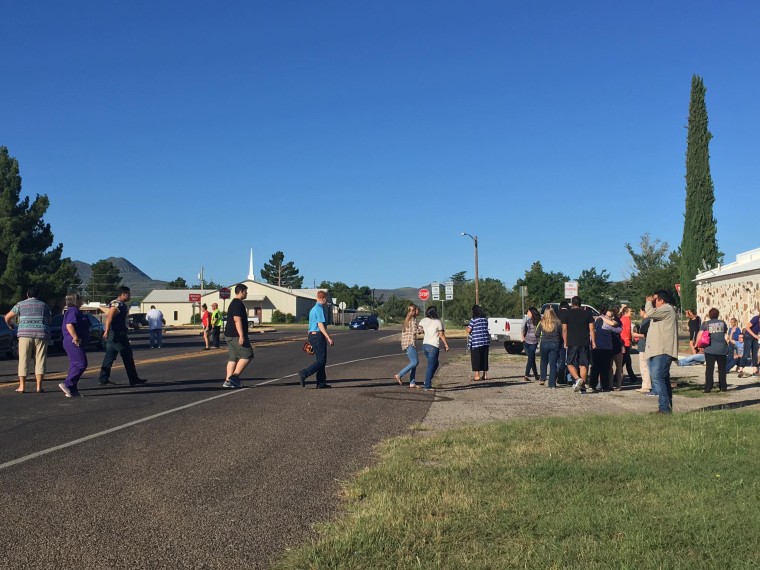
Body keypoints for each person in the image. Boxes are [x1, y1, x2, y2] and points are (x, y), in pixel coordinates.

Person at [4, 285, 52, 393]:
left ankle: (22, 386)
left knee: (24, 359)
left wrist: (11, 326)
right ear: (38, 295)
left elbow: (7, 317)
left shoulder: (20, 304)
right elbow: (49, 320)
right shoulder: (45, 305)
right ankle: (39, 386)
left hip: (25, 334)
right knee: (40, 359)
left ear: (27, 294)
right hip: (41, 334)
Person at [99, 286, 147, 387]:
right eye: (129, 294)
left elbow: (123, 320)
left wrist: (133, 325)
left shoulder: (123, 305)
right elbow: (110, 317)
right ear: (123, 294)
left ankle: (103, 379)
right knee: (126, 354)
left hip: (121, 334)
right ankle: (133, 379)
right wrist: (106, 331)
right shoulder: (117, 304)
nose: (130, 296)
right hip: (115, 334)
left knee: (110, 356)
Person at [645, 290, 678, 414]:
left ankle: (664, 408)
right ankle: (665, 407)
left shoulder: (666, 308)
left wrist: (648, 302)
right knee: (662, 378)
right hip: (657, 350)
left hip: (663, 350)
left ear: (661, 300)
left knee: (659, 377)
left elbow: (650, 312)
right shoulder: (663, 311)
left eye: (655, 300)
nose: (653, 302)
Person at [299, 290, 333, 389]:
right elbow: (320, 324)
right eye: (326, 299)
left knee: (320, 359)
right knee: (322, 360)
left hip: (312, 335)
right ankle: (304, 373)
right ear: (322, 299)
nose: (327, 301)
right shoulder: (319, 309)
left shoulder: (313, 309)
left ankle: (321, 383)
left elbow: (310, 326)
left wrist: (309, 338)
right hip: (318, 335)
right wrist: (328, 337)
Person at [561, 296, 596, 393]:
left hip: (572, 342)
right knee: (583, 364)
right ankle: (583, 387)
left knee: (569, 363)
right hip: (584, 342)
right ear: (581, 304)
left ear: (572, 304)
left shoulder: (567, 314)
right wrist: (593, 341)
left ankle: (577, 379)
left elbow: (564, 329)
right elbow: (592, 329)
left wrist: (565, 341)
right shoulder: (588, 314)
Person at [58, 292, 90, 398]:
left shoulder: (74, 311)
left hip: (72, 341)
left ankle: (72, 389)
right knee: (81, 364)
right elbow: (69, 325)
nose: (82, 300)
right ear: (76, 300)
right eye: (80, 299)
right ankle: (67, 383)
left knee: (75, 364)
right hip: (73, 341)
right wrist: (75, 338)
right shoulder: (73, 311)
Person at [223, 284, 254, 388]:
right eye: (246, 291)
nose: (247, 293)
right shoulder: (237, 304)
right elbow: (237, 319)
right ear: (241, 291)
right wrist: (241, 335)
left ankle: (228, 381)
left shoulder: (234, 303)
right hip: (235, 335)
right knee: (248, 354)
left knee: (233, 358)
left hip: (229, 335)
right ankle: (234, 377)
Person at [418, 306, 449, 392]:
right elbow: (441, 335)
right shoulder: (438, 322)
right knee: (431, 365)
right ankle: (427, 385)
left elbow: (419, 331)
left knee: (435, 363)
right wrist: (446, 345)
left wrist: (424, 330)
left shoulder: (423, 320)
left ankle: (428, 380)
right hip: (433, 346)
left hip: (425, 345)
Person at [589, 307, 620, 392]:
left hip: (601, 347)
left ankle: (594, 385)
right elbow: (618, 329)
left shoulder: (599, 321)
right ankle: (603, 386)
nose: (607, 317)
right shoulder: (605, 323)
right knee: (602, 368)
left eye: (609, 316)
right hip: (602, 347)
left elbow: (617, 328)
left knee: (598, 367)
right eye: (606, 315)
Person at [701, 308, 728, 393]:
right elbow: (725, 331)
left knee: (709, 369)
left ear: (710, 315)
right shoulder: (723, 323)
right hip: (721, 349)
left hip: (710, 349)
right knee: (722, 369)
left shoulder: (706, 324)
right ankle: (723, 386)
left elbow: (702, 334)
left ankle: (708, 387)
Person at [395, 304, 420, 387]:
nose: (418, 311)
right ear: (414, 311)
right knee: (415, 362)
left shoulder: (407, 320)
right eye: (417, 309)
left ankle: (412, 382)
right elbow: (415, 330)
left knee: (414, 362)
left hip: (405, 343)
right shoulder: (413, 320)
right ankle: (399, 374)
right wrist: (423, 330)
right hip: (410, 343)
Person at [537, 307, 562, 388]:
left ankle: (542, 378)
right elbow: (561, 334)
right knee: (553, 364)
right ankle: (552, 384)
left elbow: (536, 334)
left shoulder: (542, 322)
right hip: (555, 343)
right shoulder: (558, 323)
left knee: (543, 361)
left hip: (544, 343)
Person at [466, 305, 490, 382]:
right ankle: (485, 375)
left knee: (476, 359)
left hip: (477, 342)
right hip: (485, 341)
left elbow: (469, 330)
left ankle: (477, 375)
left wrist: (466, 328)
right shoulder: (485, 319)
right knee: (484, 358)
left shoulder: (474, 320)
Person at [632, 306, 652, 394]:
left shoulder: (647, 320)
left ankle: (646, 386)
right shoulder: (646, 320)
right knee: (645, 366)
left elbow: (646, 334)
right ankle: (647, 384)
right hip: (643, 345)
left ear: (643, 311)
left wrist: (635, 334)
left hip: (644, 346)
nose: (639, 312)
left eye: (640, 310)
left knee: (644, 366)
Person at [619, 306, 638, 384]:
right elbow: (627, 331)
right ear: (626, 312)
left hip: (624, 341)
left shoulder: (622, 319)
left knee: (627, 361)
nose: (632, 313)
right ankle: (617, 377)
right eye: (630, 312)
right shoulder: (627, 320)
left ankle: (632, 377)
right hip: (626, 342)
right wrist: (631, 340)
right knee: (624, 361)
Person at [522, 307, 540, 382]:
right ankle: (536, 375)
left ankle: (526, 374)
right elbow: (524, 328)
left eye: (528, 311)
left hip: (534, 342)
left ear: (532, 312)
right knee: (531, 358)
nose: (527, 313)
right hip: (526, 342)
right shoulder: (528, 320)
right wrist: (523, 336)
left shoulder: (539, 321)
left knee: (530, 358)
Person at [555, 301, 571, 384]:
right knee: (565, 359)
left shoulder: (555, 314)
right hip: (566, 339)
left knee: (557, 359)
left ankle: (557, 376)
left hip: (555, 339)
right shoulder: (569, 314)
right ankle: (567, 378)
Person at [741, 310, 760, 377]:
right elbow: (747, 327)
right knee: (746, 353)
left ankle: (755, 371)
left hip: (755, 337)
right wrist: (754, 335)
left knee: (755, 354)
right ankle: (741, 369)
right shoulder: (756, 318)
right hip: (748, 336)